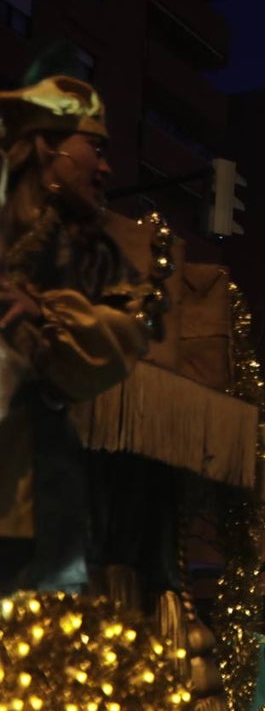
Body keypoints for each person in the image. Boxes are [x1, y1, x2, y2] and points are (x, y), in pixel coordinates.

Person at [0, 74, 155, 593]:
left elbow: (126, 334)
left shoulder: (96, 253)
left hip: (41, 480)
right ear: (49, 147)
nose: (107, 167)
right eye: (96, 147)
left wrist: (43, 312)